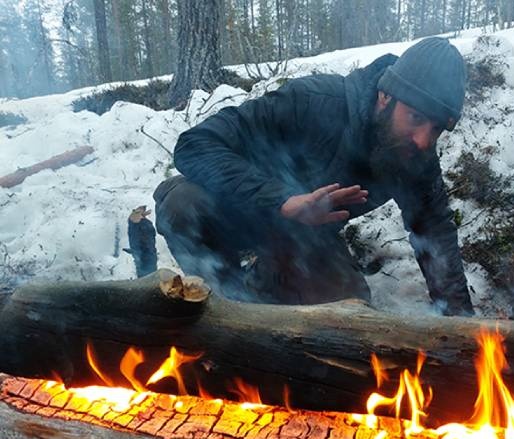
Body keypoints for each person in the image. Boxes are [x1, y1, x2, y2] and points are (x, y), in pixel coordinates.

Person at [153, 37, 475, 316]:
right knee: (181, 203)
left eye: (436, 128)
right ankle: (224, 308)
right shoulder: (313, 102)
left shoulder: (414, 157)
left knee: (348, 314)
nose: (423, 139)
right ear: (385, 96)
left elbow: (435, 234)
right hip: (238, 214)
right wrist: (283, 201)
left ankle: (265, 284)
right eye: (416, 117)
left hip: (306, 242)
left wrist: (462, 328)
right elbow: (194, 145)